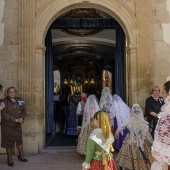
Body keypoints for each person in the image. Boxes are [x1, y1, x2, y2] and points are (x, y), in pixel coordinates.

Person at [115, 104, 153, 170]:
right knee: (142, 152)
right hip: (141, 140)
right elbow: (146, 133)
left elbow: (122, 126)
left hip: (131, 139)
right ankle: (141, 166)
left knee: (128, 151)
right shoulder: (142, 120)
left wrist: (117, 132)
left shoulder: (131, 119)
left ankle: (131, 165)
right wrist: (151, 141)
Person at [0, 87, 27, 166]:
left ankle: (21, 156)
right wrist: (15, 119)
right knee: (8, 142)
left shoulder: (19, 99)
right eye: (10, 92)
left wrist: (22, 117)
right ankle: (9, 158)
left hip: (17, 125)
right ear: (7, 93)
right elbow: (4, 114)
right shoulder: (3, 101)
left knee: (19, 140)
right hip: (7, 125)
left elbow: (23, 110)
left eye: (14, 92)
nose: (12, 93)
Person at [150, 81, 170, 170]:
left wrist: (154, 154)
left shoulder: (167, 116)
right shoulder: (149, 100)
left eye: (162, 92)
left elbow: (163, 140)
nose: (162, 94)